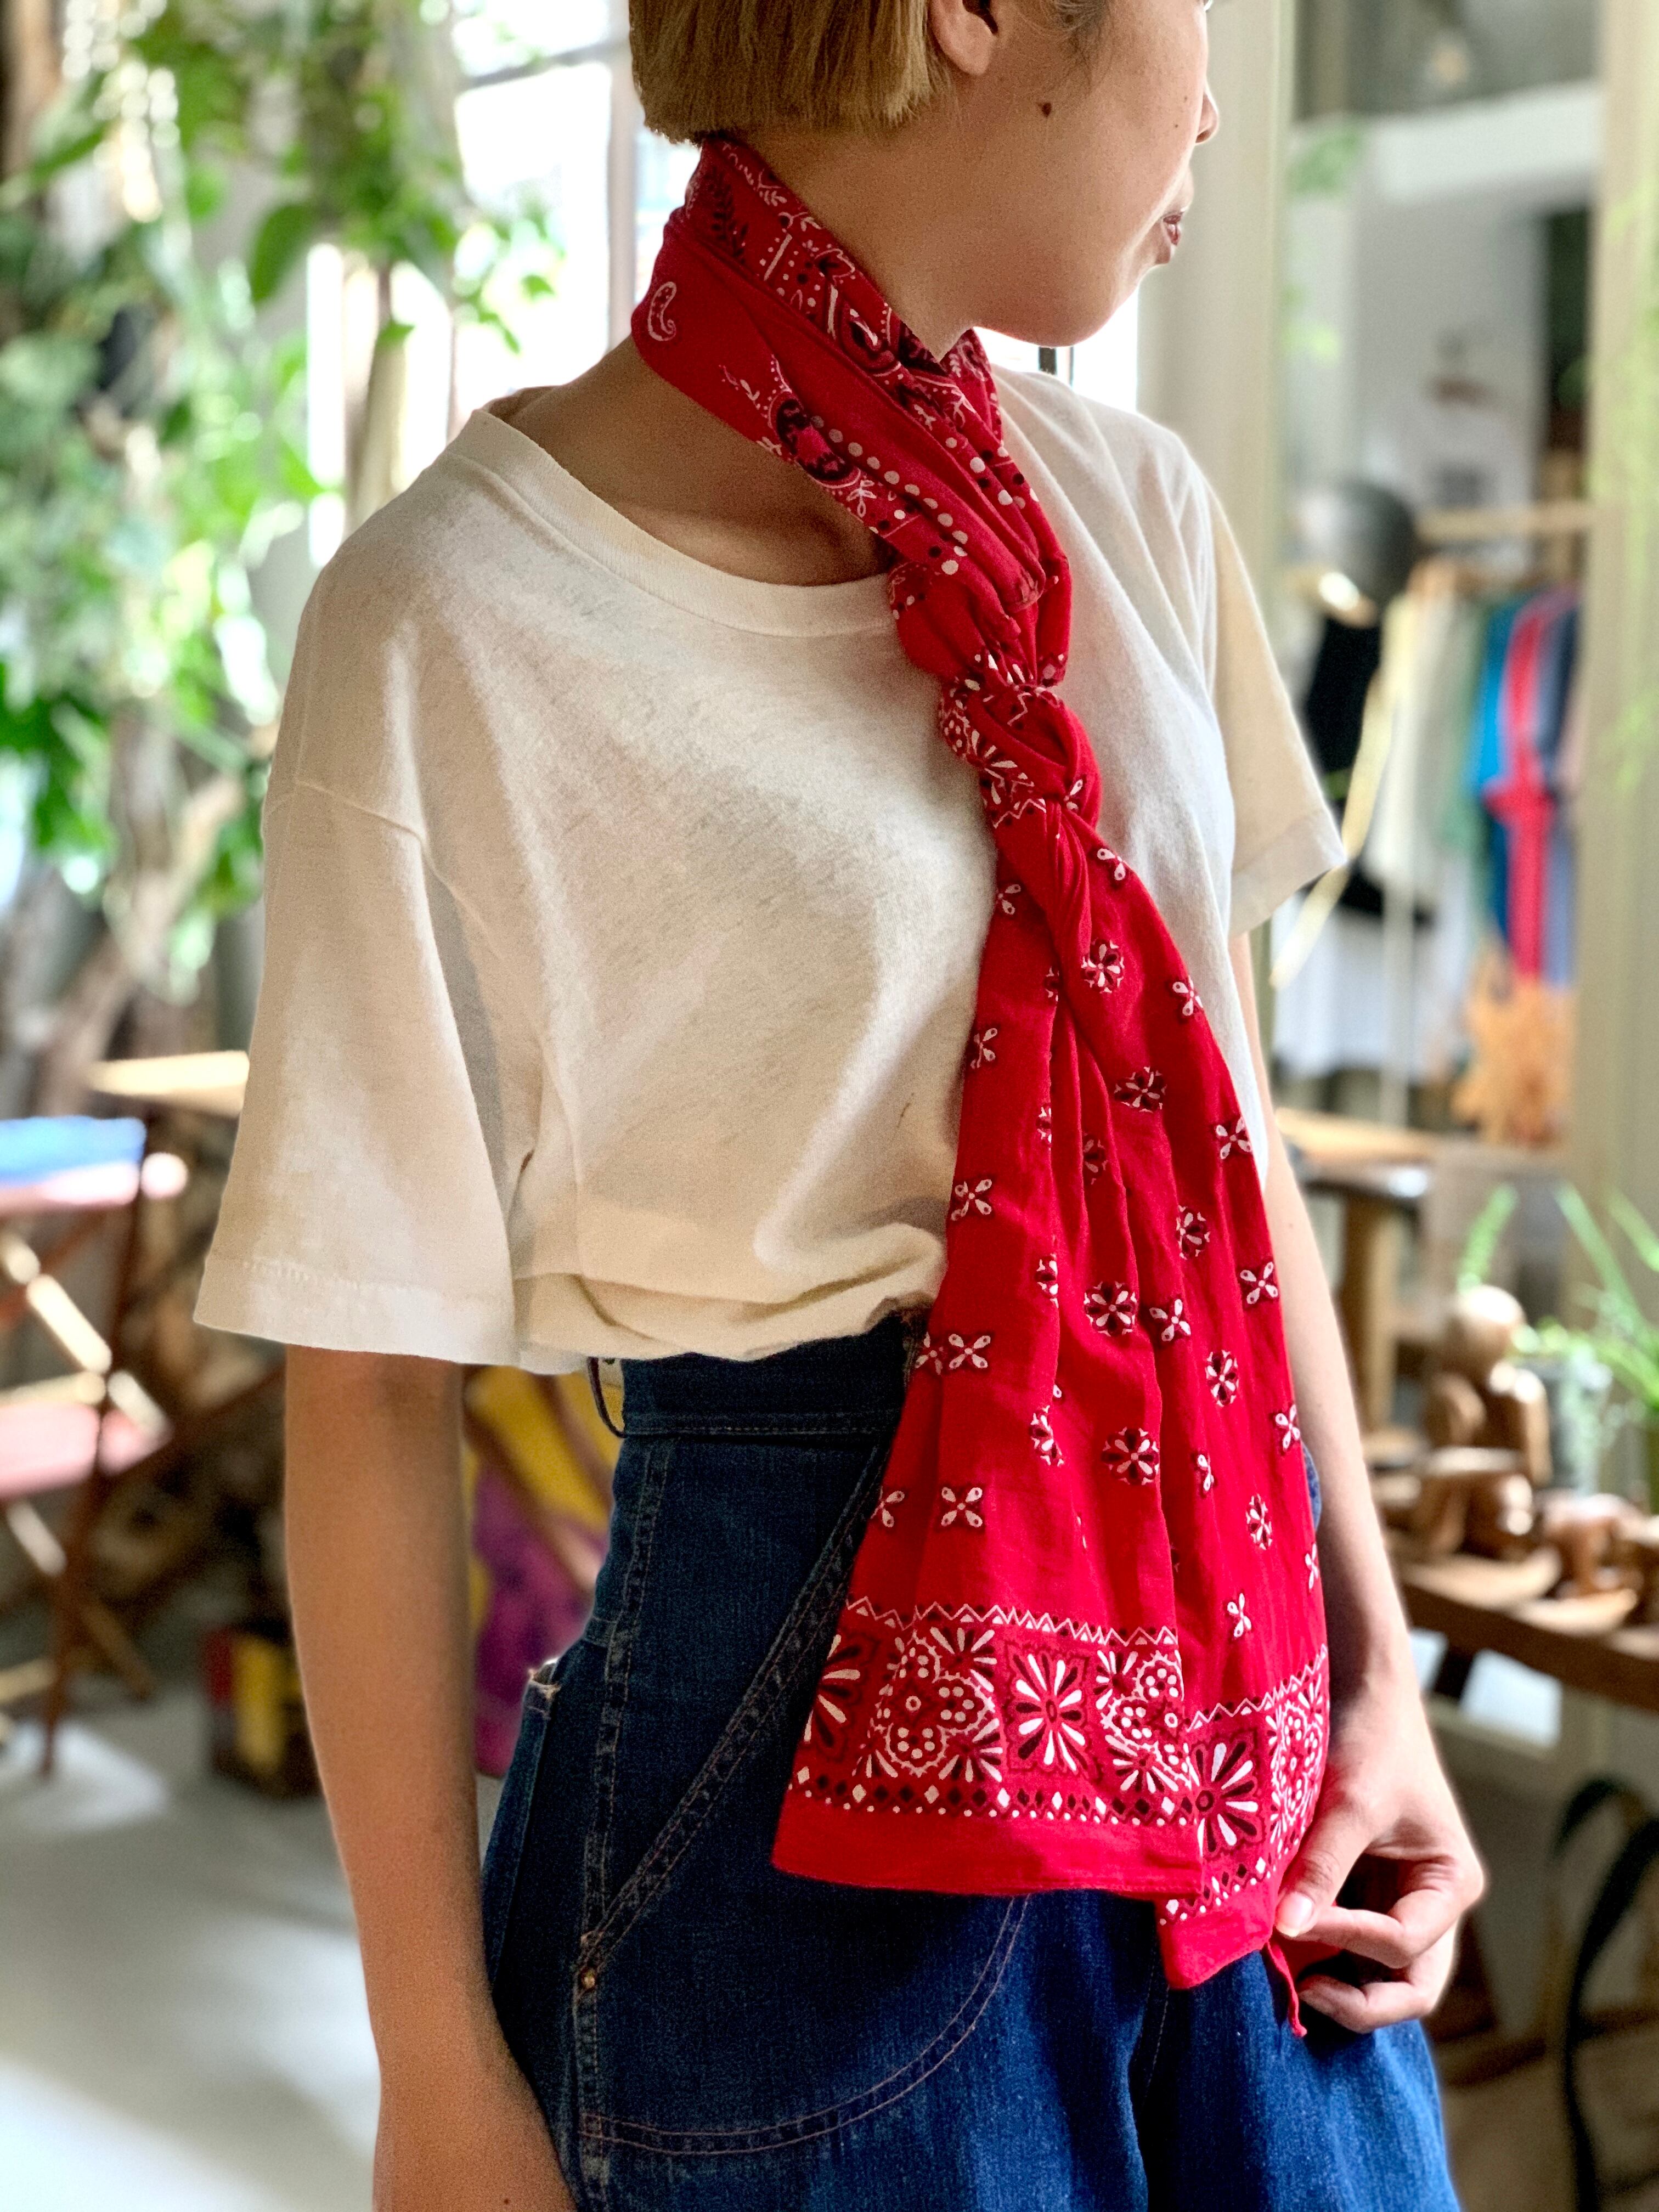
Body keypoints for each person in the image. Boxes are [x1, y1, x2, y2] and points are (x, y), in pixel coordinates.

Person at [196, 2, 1484, 2206]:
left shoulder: (1135, 517)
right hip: (773, 1767)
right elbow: (371, 1387)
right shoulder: (453, 621)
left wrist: (1383, 1681)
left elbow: (1223, 1144)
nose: (1214, 93)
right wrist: (435, 2073)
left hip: (1246, 1731)